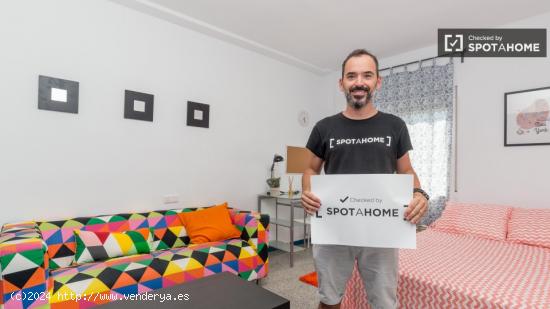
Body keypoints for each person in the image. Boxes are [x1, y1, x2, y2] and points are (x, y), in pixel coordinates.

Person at [301, 49, 429, 309]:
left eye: (367, 75)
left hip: (382, 230)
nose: (359, 81)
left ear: (377, 82)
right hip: (334, 229)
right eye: (351, 76)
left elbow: (406, 170)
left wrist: (419, 194)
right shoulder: (324, 127)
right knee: (329, 299)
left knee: (383, 302)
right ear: (342, 83)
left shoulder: (395, 125)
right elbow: (310, 169)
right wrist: (307, 192)